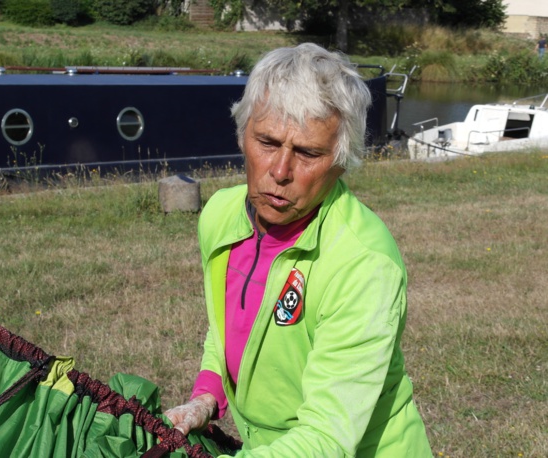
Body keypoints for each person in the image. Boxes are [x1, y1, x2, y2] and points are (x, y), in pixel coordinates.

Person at [164, 43, 432, 457]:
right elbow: (229, 324)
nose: (280, 171)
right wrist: (206, 395)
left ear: (341, 162)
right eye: (267, 142)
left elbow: (328, 437)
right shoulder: (218, 217)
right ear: (242, 135)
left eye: (308, 153)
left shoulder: (364, 265)